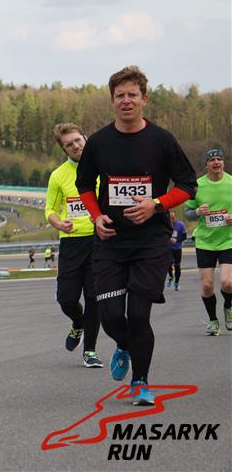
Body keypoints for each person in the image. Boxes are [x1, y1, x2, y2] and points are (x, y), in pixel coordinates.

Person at [76, 66, 197, 405]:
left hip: (151, 243)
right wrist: (96, 217)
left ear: (144, 99)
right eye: (120, 96)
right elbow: (84, 185)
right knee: (113, 317)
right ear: (112, 101)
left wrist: (156, 204)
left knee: (139, 315)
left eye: (132, 95)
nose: (126, 100)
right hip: (111, 243)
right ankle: (124, 345)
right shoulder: (99, 142)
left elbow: (188, 184)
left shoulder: (162, 140)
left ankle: (140, 383)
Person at [45, 122, 102, 368]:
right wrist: (59, 223)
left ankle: (90, 350)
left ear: (86, 138)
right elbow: (49, 209)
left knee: (93, 297)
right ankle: (78, 323)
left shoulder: (104, 167)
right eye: (69, 144)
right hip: (71, 243)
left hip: (99, 241)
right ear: (64, 149)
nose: (76, 146)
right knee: (66, 299)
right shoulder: (58, 175)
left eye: (78, 140)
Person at [183, 149, 232, 336]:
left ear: (224, 163)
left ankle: (228, 306)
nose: (216, 162)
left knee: (228, 282)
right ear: (206, 165)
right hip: (205, 241)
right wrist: (197, 212)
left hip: (228, 240)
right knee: (207, 285)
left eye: (219, 159)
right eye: (212, 160)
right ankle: (213, 320)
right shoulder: (197, 186)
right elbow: (188, 212)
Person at [166, 210, 187, 292]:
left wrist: (177, 240)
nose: (171, 220)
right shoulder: (166, 224)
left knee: (177, 266)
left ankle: (176, 283)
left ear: (176, 217)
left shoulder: (180, 224)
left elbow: (184, 236)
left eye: (173, 218)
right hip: (168, 248)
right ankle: (171, 276)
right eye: (170, 218)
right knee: (168, 264)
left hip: (177, 248)